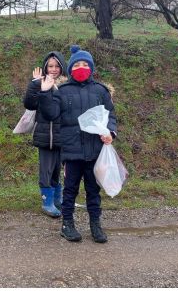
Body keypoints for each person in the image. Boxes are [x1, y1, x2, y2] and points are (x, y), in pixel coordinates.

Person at [38, 45, 117, 243]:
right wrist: (46, 93)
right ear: (70, 68)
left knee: (93, 190)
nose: (81, 68)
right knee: (70, 190)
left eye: (85, 64)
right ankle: (67, 225)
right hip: (71, 151)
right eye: (77, 65)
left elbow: (111, 116)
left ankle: (95, 225)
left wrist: (111, 133)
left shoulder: (101, 91)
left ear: (91, 67)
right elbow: (50, 114)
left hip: (94, 150)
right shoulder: (62, 90)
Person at [23, 51, 67, 217]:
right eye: (50, 66)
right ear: (45, 67)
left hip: (61, 136)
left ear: (62, 68)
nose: (53, 69)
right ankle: (47, 202)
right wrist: (36, 85)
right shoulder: (39, 83)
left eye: (57, 66)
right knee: (46, 171)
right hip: (45, 136)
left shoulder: (66, 85)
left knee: (57, 170)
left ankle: (57, 199)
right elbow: (29, 103)